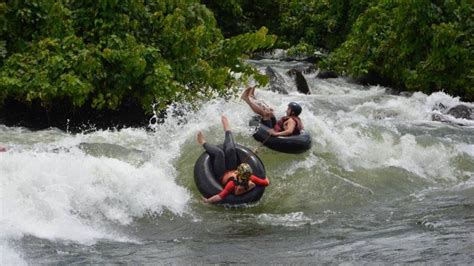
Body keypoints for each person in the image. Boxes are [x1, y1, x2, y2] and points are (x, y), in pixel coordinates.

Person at [197, 115, 269, 204]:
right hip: (231, 168)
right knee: (230, 149)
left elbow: (219, 196)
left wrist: (207, 201)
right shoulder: (252, 178)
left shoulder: (232, 185)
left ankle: (203, 142)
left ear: (238, 172)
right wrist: (263, 174)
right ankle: (227, 129)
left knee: (219, 154)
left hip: (222, 174)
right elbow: (266, 182)